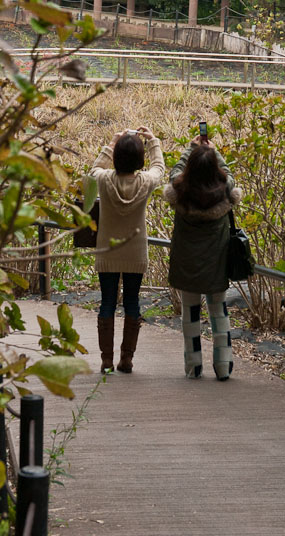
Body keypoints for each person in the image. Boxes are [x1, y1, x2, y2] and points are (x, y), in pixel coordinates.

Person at [164, 137, 242, 380]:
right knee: (219, 312)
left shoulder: (180, 191)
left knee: (190, 314)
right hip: (216, 263)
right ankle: (222, 366)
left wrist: (191, 149)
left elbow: (174, 172)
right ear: (215, 170)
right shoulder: (226, 191)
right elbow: (229, 174)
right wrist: (214, 152)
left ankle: (194, 366)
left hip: (188, 263)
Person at [89, 126, 164, 374]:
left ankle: (106, 361)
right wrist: (152, 141)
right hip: (134, 253)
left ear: (117, 157)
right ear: (139, 159)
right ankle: (127, 359)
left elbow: (92, 171)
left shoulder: (104, 180)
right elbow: (159, 170)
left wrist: (111, 143)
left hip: (108, 252)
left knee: (107, 302)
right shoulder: (145, 182)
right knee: (132, 302)